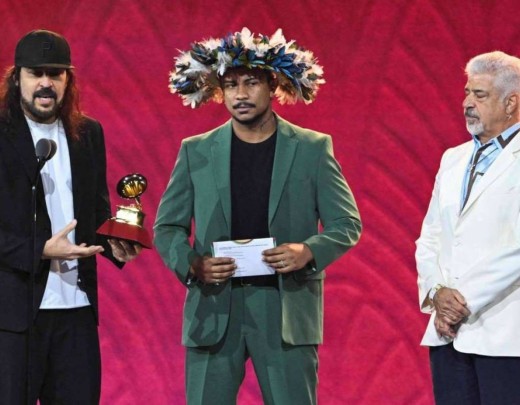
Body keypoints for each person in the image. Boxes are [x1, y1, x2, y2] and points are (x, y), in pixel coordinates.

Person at [154, 27, 362, 405]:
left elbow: (346, 224)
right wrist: (192, 264)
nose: (241, 94)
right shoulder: (196, 151)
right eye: (231, 85)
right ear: (219, 91)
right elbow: (167, 226)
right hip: (215, 305)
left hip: (284, 308)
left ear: (273, 85)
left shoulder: (312, 149)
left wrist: (308, 251)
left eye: (251, 83)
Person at [0, 29, 141, 404]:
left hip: (76, 311)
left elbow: (96, 211)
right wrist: (39, 250)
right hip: (13, 318)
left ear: (68, 80)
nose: (46, 83)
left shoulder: (87, 134)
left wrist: (116, 246)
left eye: (56, 74)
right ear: (17, 79)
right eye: (36, 73)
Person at [416, 51, 520, 405]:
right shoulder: (453, 158)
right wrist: (437, 293)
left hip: (506, 335)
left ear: (511, 103)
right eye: (466, 92)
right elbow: (430, 236)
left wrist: (461, 302)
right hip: (448, 334)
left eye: (480, 95)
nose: (467, 103)